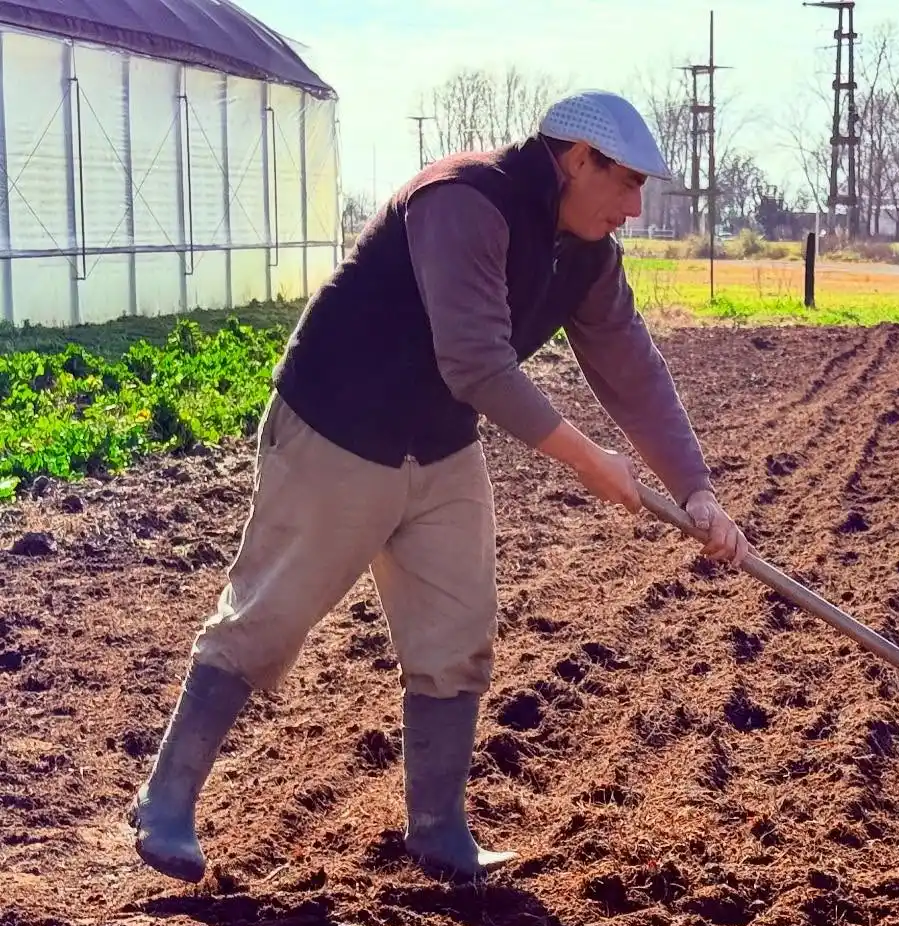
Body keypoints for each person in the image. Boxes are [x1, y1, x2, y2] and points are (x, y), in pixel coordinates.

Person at [127, 89, 749, 885]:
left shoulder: (586, 250)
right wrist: (590, 462)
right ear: (577, 159)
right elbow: (477, 362)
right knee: (268, 620)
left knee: (457, 632)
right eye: (626, 183)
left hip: (441, 443)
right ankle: (167, 801)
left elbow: (631, 367)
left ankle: (438, 830)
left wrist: (695, 489)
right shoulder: (463, 199)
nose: (633, 207)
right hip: (338, 428)